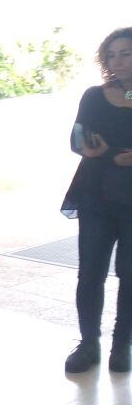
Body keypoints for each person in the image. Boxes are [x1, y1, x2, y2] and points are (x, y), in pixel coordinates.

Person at [61, 27, 132, 374]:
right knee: (90, 273)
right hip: (96, 193)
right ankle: (88, 343)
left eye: (126, 54)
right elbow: (77, 139)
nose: (117, 62)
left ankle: (123, 344)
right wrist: (97, 152)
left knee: (130, 274)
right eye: (112, 54)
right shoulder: (94, 95)